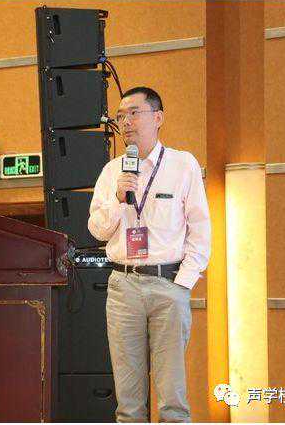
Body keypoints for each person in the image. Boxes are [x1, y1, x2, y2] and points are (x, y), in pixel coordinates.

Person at [88, 86, 211, 422]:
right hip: (123, 286)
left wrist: (182, 283)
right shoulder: (112, 172)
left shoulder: (183, 165)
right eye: (120, 116)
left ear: (158, 118)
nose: (126, 122)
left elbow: (200, 228)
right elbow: (97, 229)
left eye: (134, 113)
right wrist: (118, 198)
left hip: (168, 284)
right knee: (128, 402)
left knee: (172, 400)